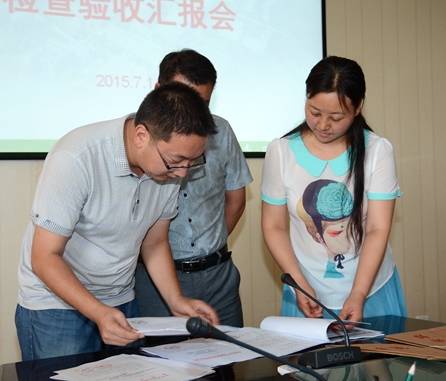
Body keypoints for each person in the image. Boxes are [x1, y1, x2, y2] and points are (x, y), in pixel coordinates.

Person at [15, 82, 220, 361]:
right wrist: (98, 312)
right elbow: (44, 256)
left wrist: (176, 300)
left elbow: (155, 242)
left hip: (120, 299)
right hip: (55, 306)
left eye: (192, 161)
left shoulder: (167, 169)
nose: (182, 172)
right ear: (141, 136)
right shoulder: (76, 158)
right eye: (177, 160)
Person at [260, 56, 407, 323]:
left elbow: (377, 228)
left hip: (370, 290)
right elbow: (274, 226)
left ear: (358, 108)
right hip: (305, 289)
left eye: (336, 117)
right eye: (315, 112)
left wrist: (358, 293)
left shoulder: (377, 151)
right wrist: (298, 283)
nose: (323, 125)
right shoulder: (281, 151)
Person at [135, 49, 253, 327]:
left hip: (218, 274)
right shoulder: (141, 140)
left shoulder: (222, 132)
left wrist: (208, 246)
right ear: (159, 91)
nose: (194, 112)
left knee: (231, 351)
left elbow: (236, 199)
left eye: (202, 103)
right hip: (155, 281)